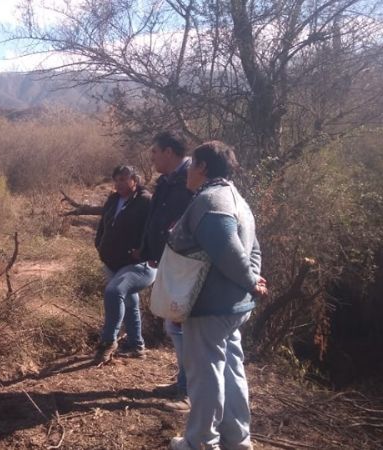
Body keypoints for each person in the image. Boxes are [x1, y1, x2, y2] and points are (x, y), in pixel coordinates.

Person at [165, 141, 267, 450]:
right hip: (232, 306)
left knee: (205, 375)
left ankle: (201, 443)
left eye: (191, 163)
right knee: (231, 369)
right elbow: (254, 248)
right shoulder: (237, 199)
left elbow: (225, 247)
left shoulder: (211, 200)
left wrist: (250, 281)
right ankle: (237, 440)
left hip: (210, 306)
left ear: (203, 167)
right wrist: (251, 280)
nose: (187, 170)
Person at [139, 131, 194, 402]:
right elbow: (155, 218)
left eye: (155, 152)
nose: (152, 157)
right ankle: (184, 382)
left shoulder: (191, 181)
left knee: (181, 327)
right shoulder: (166, 181)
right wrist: (150, 250)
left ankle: (188, 388)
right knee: (174, 326)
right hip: (167, 261)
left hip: (185, 266)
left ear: (169, 152)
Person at [94, 165, 154, 362]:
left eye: (124, 179)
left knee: (114, 291)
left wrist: (145, 250)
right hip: (113, 262)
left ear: (134, 180)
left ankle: (108, 342)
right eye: (117, 179)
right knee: (129, 301)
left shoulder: (145, 201)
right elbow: (103, 224)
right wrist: (100, 244)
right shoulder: (113, 199)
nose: (119, 183)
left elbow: (155, 229)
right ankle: (136, 346)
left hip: (139, 265)